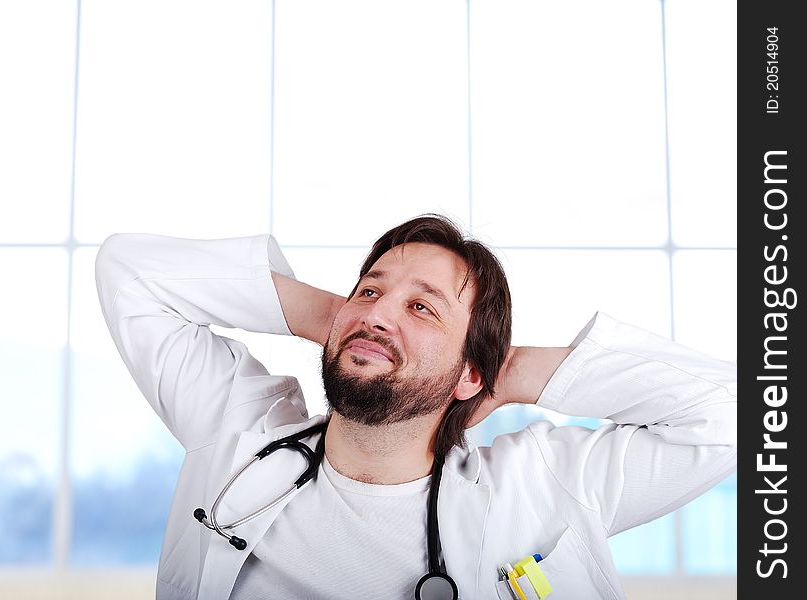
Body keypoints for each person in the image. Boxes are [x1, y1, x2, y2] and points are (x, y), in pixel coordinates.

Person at [94, 214, 737, 600]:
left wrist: (513, 372)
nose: (378, 310)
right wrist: (343, 319)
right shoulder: (238, 430)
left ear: (470, 375)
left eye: (422, 306)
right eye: (370, 289)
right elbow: (128, 271)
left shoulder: (545, 486)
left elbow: (737, 413)